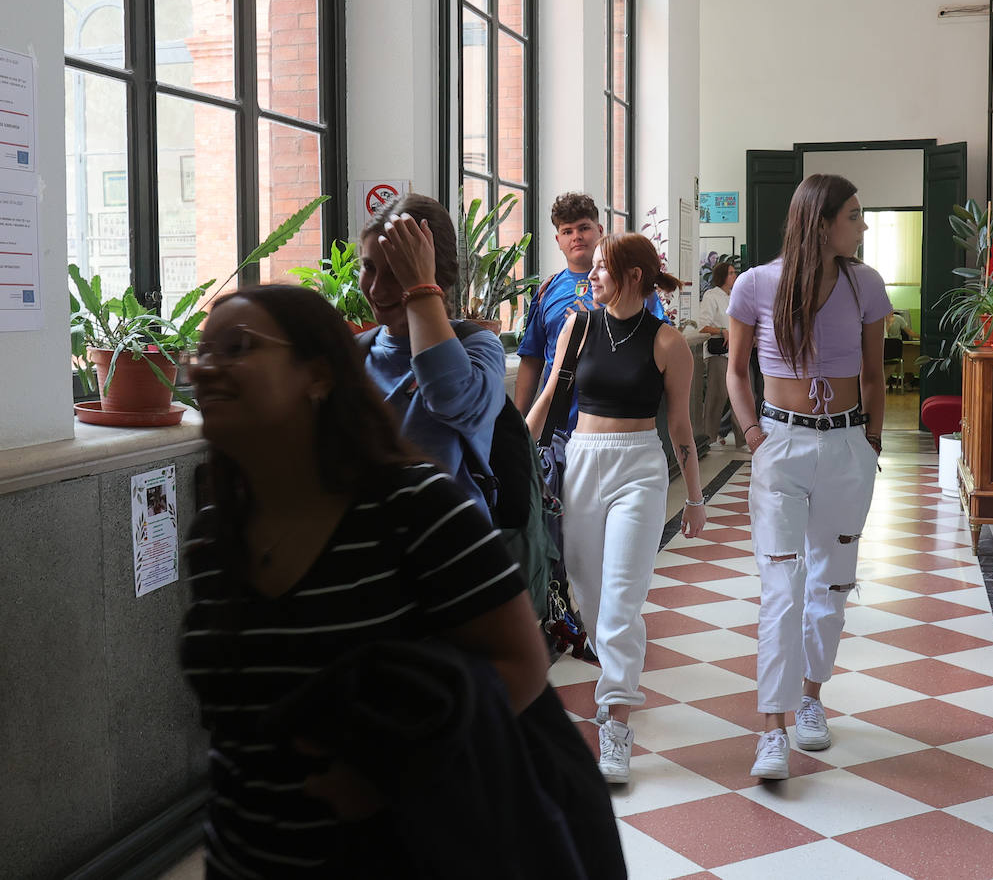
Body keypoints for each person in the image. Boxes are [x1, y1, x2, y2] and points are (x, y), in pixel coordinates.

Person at [180, 284, 552, 876]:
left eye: (238, 348)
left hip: (393, 852)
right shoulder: (214, 534)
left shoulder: (415, 510)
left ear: (319, 375)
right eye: (203, 352)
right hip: (242, 857)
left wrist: (395, 768)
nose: (206, 369)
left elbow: (523, 666)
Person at [725, 174, 891, 780]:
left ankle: (811, 699)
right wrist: (753, 436)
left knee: (832, 581)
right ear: (822, 222)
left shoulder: (865, 284)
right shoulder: (755, 285)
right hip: (781, 444)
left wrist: (869, 442)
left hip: (847, 445)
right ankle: (772, 725)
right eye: (855, 214)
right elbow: (736, 373)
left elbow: (874, 376)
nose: (862, 224)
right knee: (780, 585)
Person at [526, 232, 706, 785]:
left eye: (602, 267)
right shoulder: (578, 327)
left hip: (639, 470)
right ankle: (620, 681)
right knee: (590, 596)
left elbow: (680, 428)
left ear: (632, 275)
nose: (591, 275)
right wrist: (509, 451)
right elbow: (551, 394)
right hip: (581, 460)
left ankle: (616, 717)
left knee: (624, 598)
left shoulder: (668, 342)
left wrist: (696, 497)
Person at [356, 194, 506, 525]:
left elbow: (450, 396)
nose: (378, 288)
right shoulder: (354, 353)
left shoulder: (478, 346)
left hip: (452, 550)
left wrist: (420, 289)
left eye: (397, 272)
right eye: (368, 267)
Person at [515, 192, 666, 423]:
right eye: (567, 231)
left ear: (600, 231)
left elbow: (660, 349)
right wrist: (517, 422)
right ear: (558, 241)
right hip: (559, 426)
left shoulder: (632, 285)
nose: (576, 237)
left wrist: (608, 321)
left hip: (620, 422)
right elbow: (532, 361)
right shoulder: (547, 291)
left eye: (583, 228)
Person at [698, 259, 745, 448]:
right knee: (718, 396)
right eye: (731, 273)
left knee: (742, 395)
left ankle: (742, 440)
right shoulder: (712, 296)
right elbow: (702, 326)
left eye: (734, 273)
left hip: (737, 352)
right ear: (722, 276)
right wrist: (720, 331)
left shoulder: (734, 295)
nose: (734, 276)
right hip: (719, 354)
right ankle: (708, 438)